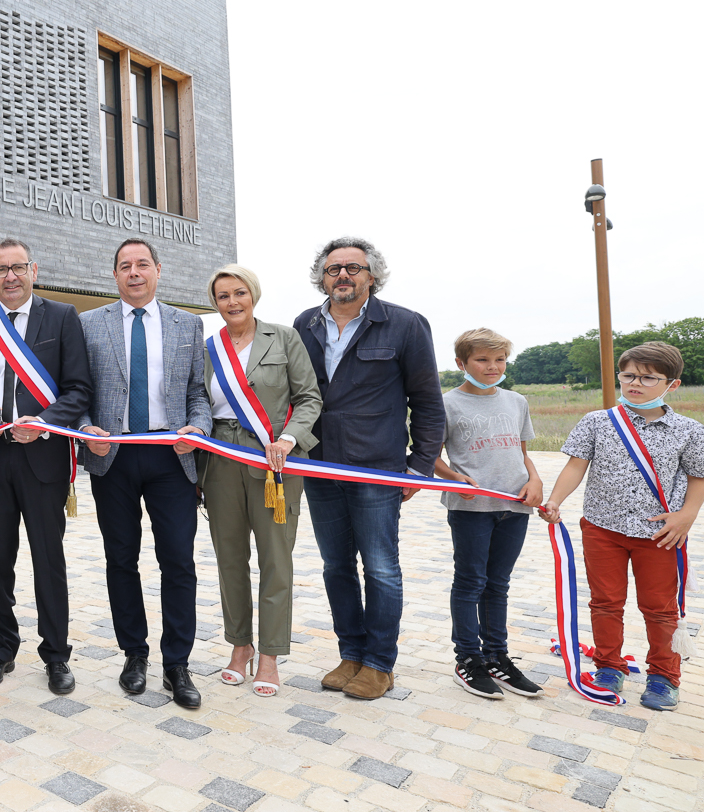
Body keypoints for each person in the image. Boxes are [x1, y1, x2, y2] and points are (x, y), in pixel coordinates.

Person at [292, 237, 444, 700]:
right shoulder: (304, 324)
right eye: (334, 268)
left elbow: (428, 402)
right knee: (336, 565)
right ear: (322, 276)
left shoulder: (405, 325)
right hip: (319, 464)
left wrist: (418, 467)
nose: (343, 276)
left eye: (354, 268)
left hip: (377, 469)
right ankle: (351, 654)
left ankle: (380, 663)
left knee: (380, 568)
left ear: (372, 276)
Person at [541, 342, 704, 712]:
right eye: (629, 375)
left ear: (673, 384)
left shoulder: (689, 430)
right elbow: (576, 466)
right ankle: (608, 666)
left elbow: (700, 478)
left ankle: (664, 676)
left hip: (660, 534)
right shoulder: (596, 422)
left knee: (660, 608)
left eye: (648, 377)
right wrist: (556, 500)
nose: (635, 383)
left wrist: (687, 515)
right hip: (602, 528)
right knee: (605, 602)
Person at [0, 239, 92, 695]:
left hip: (43, 456)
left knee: (48, 560)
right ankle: (1, 648)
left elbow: (78, 388)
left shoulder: (62, 317)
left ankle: (56, 655)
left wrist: (46, 422)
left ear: (34, 270)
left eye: (17, 267)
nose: (10, 276)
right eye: (0, 269)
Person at [75, 242, 211, 707]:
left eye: (143, 265)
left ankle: (178, 663)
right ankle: (134, 654)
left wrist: (199, 427)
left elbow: (198, 393)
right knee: (121, 559)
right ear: (114, 274)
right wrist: (82, 428)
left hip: (171, 456)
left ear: (158, 270)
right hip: (111, 456)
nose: (134, 273)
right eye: (125, 267)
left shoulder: (188, 325)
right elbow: (77, 391)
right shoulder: (88, 324)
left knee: (178, 561)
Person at [192, 265, 321, 698]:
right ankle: (239, 646)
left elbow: (309, 398)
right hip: (221, 459)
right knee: (230, 560)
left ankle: (270, 655)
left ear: (254, 295)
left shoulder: (283, 338)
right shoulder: (208, 348)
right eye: (223, 295)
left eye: (239, 292)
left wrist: (288, 438)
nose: (232, 302)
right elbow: (196, 400)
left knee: (275, 561)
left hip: (274, 461)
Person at [432, 328, 545, 700]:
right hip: (471, 509)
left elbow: (522, 452)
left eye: (499, 360)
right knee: (470, 583)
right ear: (461, 363)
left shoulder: (516, 401)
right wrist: (455, 477)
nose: (492, 367)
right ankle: (468, 659)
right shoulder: (445, 404)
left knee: (499, 584)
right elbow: (430, 457)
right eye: (482, 360)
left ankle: (498, 656)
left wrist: (536, 480)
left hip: (514, 507)